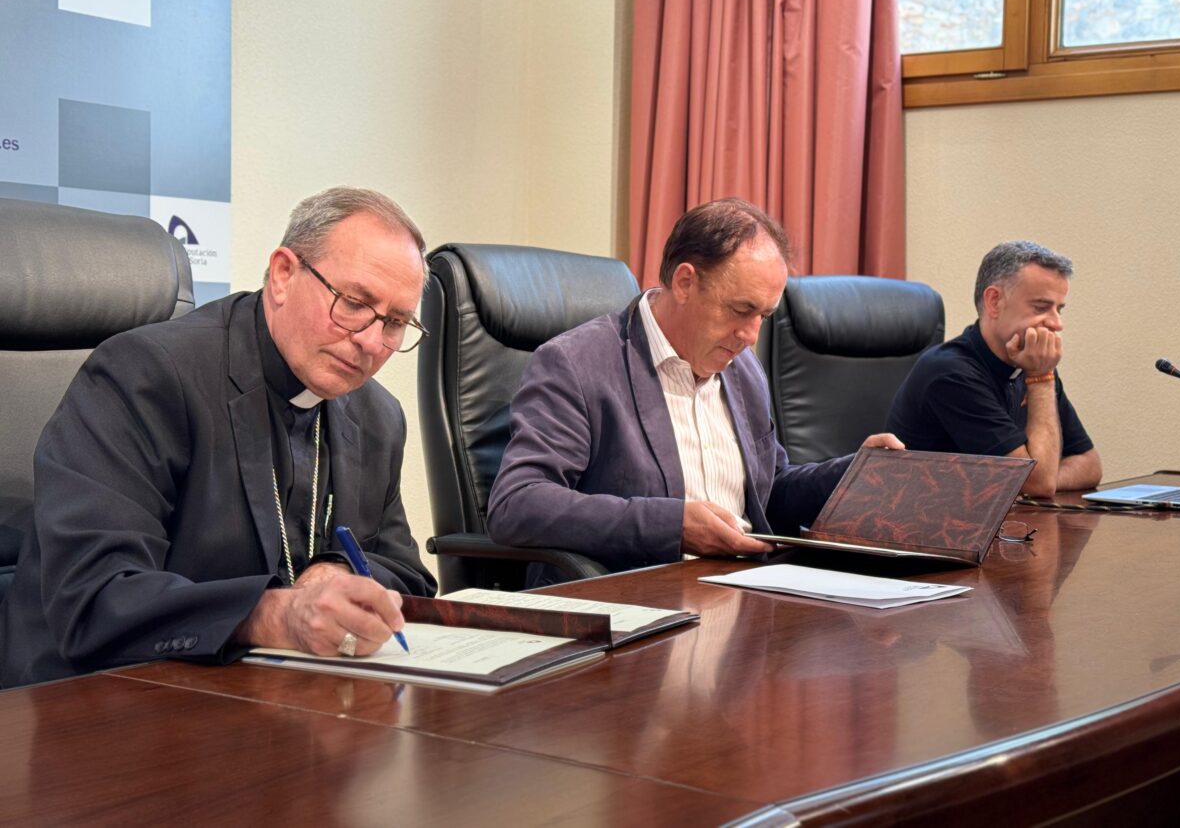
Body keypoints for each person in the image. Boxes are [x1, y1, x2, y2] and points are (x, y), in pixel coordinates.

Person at [0, 187, 437, 687]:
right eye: (354, 303)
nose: (371, 342)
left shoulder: (378, 416)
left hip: (263, 694)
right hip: (93, 694)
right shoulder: (145, 376)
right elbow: (98, 596)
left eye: (395, 322)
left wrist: (336, 571)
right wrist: (275, 615)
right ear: (283, 275)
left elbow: (407, 573)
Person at [488, 198, 902, 581]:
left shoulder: (742, 369)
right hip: (636, 600)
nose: (751, 336)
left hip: (744, 592)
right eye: (741, 309)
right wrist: (672, 526)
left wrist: (849, 474)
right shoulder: (576, 364)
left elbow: (767, 493)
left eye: (763, 315)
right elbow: (517, 504)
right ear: (685, 282)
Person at [886, 240, 1101, 498]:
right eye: (1042, 307)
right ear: (994, 302)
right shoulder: (950, 372)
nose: (1057, 323)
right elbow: (1037, 484)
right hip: (923, 520)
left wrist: (1040, 479)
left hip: (990, 518)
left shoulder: (1032, 363)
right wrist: (1041, 379)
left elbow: (1089, 465)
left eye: (1059, 309)